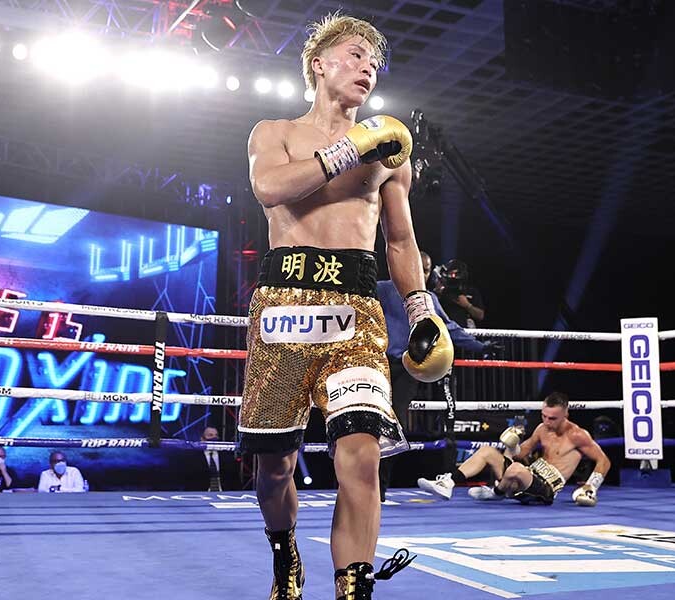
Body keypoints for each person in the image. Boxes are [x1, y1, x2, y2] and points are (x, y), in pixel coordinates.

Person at [239, 13, 452, 599]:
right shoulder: (274, 131)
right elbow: (270, 188)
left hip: (356, 311)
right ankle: (285, 552)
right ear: (319, 64)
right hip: (283, 307)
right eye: (356, 55)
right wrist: (345, 150)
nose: (367, 68)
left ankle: (352, 588)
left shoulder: (388, 153)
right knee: (274, 467)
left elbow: (400, 241)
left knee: (361, 455)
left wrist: (421, 309)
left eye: (374, 63)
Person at [376, 250, 499, 501]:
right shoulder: (383, 289)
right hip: (378, 364)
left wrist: (481, 347)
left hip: (408, 369)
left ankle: (379, 489)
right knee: (365, 422)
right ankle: (354, 484)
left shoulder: (428, 298)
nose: (422, 274)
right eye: (418, 268)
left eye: (426, 269)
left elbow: (448, 328)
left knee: (393, 425)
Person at [418, 392, 611, 506]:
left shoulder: (577, 435)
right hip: (523, 478)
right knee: (487, 451)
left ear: (565, 414)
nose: (547, 421)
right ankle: (448, 483)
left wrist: (591, 486)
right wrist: (512, 444)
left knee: (516, 469)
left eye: (552, 418)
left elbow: (604, 461)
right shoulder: (542, 429)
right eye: (544, 416)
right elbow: (520, 454)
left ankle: (497, 492)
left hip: (544, 491)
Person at [182, 427, 235, 491]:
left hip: (224, 493)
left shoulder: (226, 456)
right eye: (210, 435)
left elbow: (234, 479)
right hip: (201, 493)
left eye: (216, 435)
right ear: (202, 439)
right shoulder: (192, 458)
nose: (214, 438)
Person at [436, 259, 485, 328]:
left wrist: (467, 305)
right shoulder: (441, 292)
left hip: (465, 330)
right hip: (446, 329)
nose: (453, 277)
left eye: (455, 274)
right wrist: (437, 294)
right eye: (450, 274)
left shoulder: (471, 291)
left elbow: (480, 316)